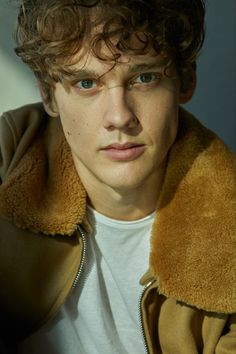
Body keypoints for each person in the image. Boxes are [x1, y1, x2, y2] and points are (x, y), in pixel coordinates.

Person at [0, 0, 235, 353]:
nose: (119, 117)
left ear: (185, 80)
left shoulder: (228, 221)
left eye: (144, 78)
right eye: (85, 82)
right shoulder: (11, 152)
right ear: (49, 95)